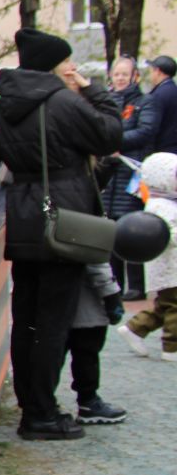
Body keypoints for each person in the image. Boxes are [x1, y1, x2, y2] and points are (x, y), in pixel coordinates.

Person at [0, 29, 124, 441]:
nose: (72, 69)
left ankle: (31, 403)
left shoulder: (7, 106)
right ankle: (40, 414)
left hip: (25, 218)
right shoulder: (64, 102)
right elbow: (110, 134)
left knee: (28, 321)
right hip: (66, 222)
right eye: (67, 63)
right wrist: (95, 91)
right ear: (55, 65)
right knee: (53, 325)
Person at [120, 151, 177, 362]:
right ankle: (172, 347)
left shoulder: (167, 202)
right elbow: (166, 233)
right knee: (175, 306)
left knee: (166, 304)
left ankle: (135, 327)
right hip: (169, 267)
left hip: (169, 265)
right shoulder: (161, 206)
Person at [66, 260, 128, 424]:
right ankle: (88, 402)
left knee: (55, 353)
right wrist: (112, 296)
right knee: (86, 353)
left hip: (61, 296)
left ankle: (41, 404)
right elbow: (96, 259)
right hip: (86, 300)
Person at [104, 57, 146, 298]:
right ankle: (116, 283)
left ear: (134, 76)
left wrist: (117, 143)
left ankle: (137, 286)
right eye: (116, 73)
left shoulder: (142, 102)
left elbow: (145, 131)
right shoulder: (107, 101)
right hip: (109, 173)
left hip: (130, 174)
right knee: (111, 230)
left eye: (124, 74)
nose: (120, 78)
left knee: (133, 229)